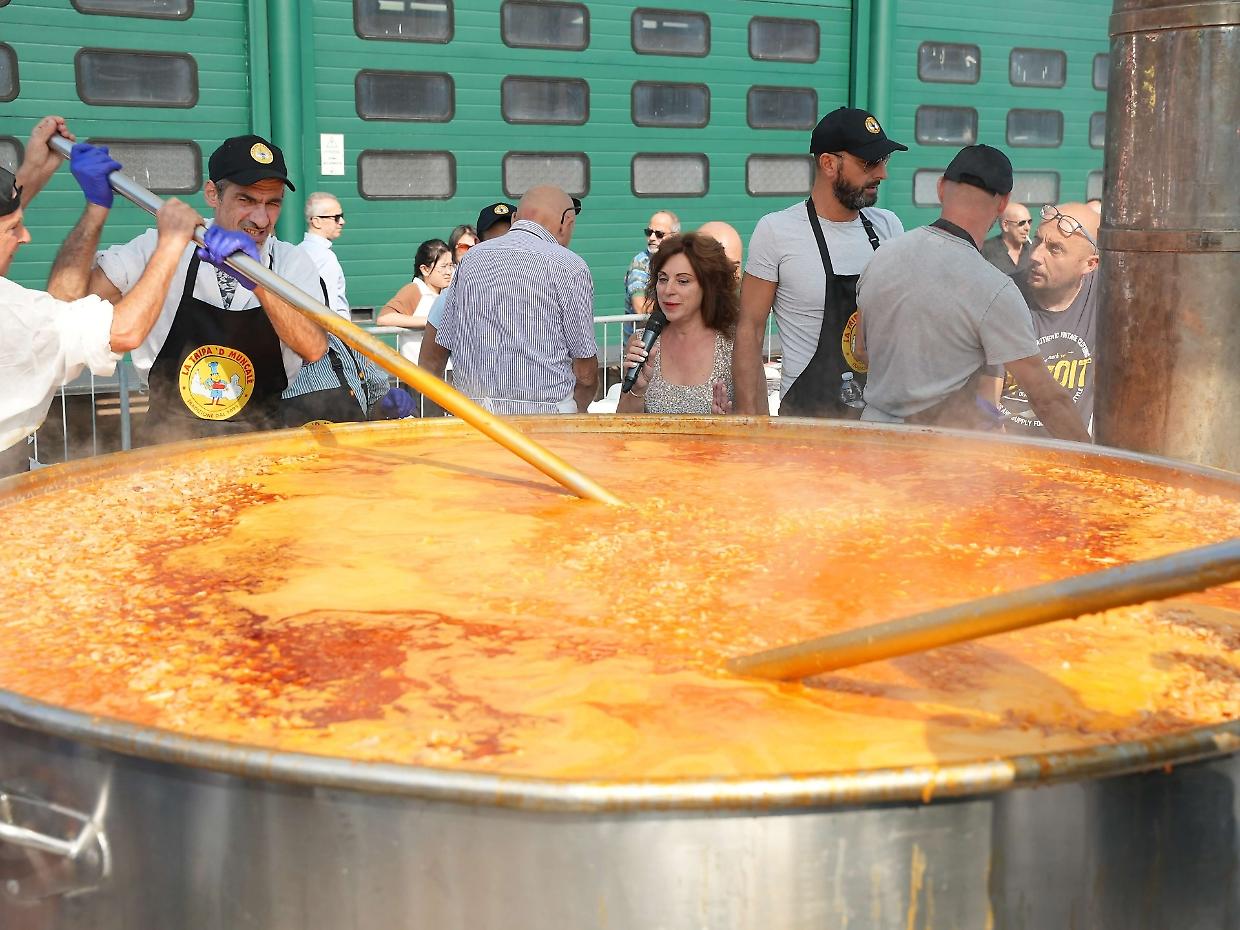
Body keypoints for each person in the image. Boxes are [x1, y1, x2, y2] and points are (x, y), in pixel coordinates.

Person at [89, 134, 327, 446]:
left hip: (262, 445)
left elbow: (314, 347)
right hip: (168, 443)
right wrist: (95, 206)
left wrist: (259, 284)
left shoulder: (291, 263)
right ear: (213, 194)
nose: (261, 218)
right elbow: (80, 300)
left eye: (273, 203)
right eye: (246, 200)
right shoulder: (159, 244)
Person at [1, 120, 204, 475]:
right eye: (13, 229)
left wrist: (34, 171)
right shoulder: (14, 316)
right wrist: (171, 242)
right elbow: (122, 332)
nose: (26, 236)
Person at [854, 144, 1090, 443]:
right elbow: (1046, 398)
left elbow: (861, 349)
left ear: (940, 188)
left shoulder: (881, 256)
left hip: (871, 437)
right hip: (935, 454)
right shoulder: (993, 288)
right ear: (1003, 203)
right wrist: (1097, 463)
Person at [734, 107, 906, 417]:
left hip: (880, 421)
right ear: (828, 163)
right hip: (807, 422)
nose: (882, 173)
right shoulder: (776, 231)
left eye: (884, 160)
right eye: (869, 163)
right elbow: (749, 332)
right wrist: (754, 427)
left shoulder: (888, 226)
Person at [434, 186, 598, 414]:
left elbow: (443, 345)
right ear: (567, 222)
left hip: (474, 420)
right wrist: (577, 407)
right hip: (546, 423)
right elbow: (586, 372)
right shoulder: (570, 266)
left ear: (514, 218)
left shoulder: (470, 259)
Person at [1000, 202, 1101, 437]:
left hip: (1067, 459)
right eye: (1037, 241)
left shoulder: (1107, 299)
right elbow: (979, 397)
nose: (1035, 255)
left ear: (1090, 264)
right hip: (1004, 457)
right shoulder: (1001, 295)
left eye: (1055, 249)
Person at [616, 233, 737, 415]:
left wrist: (726, 425)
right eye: (663, 279)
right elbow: (622, 429)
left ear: (709, 286)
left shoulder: (735, 345)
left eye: (682, 281)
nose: (668, 290)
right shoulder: (641, 343)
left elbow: (760, 424)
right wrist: (636, 391)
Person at [418, 201, 515, 384]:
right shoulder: (452, 296)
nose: (503, 251)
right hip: (476, 408)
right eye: (494, 244)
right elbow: (429, 367)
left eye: (510, 242)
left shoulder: (549, 287)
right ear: (478, 244)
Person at [376, 238, 453, 362]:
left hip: (445, 372)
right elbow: (384, 318)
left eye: (451, 265)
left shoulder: (447, 292)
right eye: (443, 266)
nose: (449, 272)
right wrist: (430, 322)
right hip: (417, 374)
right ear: (424, 269)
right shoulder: (414, 290)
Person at [622, 210, 679, 343]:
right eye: (649, 232)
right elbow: (640, 307)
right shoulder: (640, 264)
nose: (652, 238)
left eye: (659, 234)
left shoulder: (680, 261)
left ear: (675, 237)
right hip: (640, 344)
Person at [299, 191, 349, 319]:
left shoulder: (298, 251)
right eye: (336, 217)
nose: (342, 221)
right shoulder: (325, 258)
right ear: (317, 222)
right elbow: (329, 308)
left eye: (341, 216)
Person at [980, 202, 1033, 275]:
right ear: (1006, 225)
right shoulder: (985, 252)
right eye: (1021, 223)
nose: (1027, 228)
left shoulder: (1034, 251)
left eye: (1029, 222)